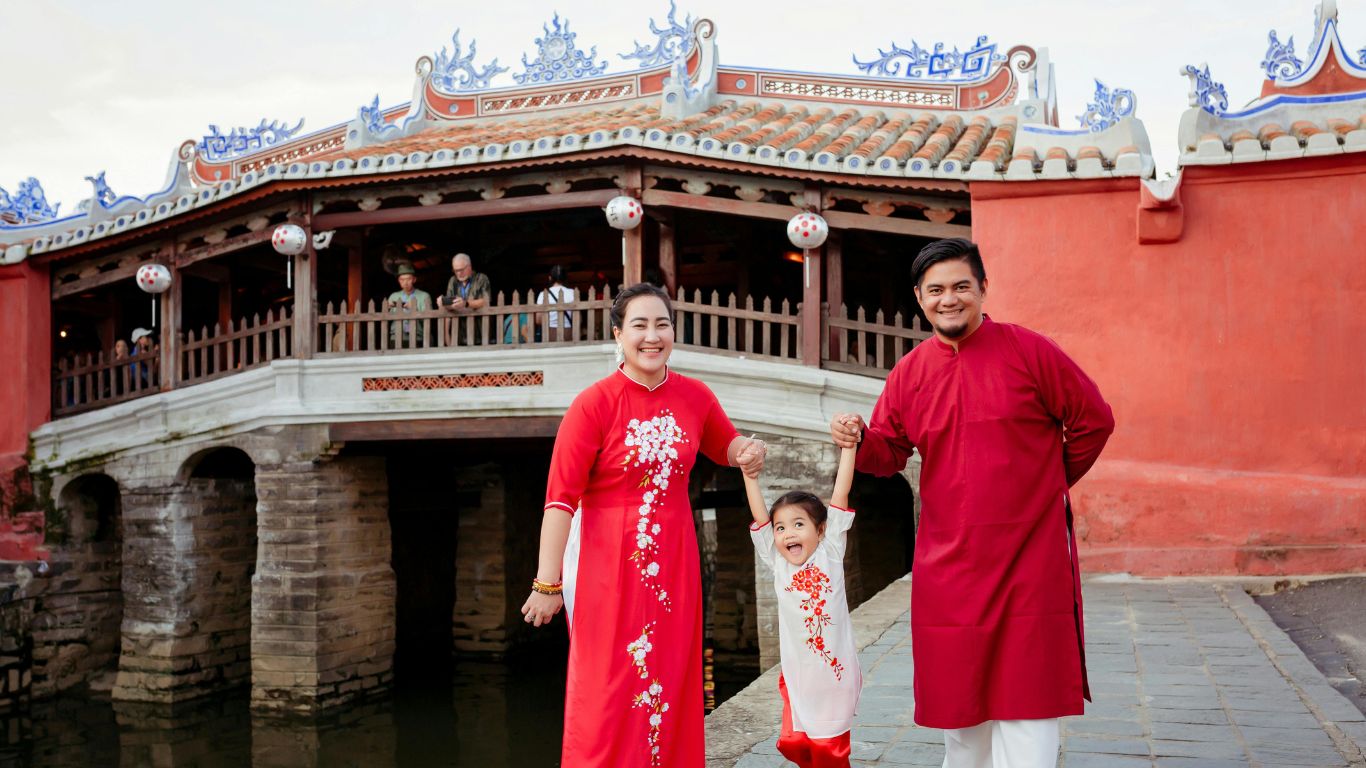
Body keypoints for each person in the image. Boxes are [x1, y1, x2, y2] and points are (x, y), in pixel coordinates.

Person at [830, 238, 1114, 767]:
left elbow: (1094, 420)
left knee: (1027, 714)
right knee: (961, 721)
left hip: (1031, 561)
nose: (949, 298)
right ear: (919, 298)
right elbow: (888, 453)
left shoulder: (1031, 352)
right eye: (936, 290)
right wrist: (857, 437)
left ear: (983, 288)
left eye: (962, 286)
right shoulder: (911, 372)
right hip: (949, 567)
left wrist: (1048, 486)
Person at [521, 282, 766, 767]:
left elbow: (726, 445)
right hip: (606, 568)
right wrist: (548, 583)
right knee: (608, 685)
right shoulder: (592, 405)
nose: (652, 336)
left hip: (675, 566)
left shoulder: (695, 396)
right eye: (639, 325)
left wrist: (748, 451)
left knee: (672, 678)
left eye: (662, 324)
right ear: (617, 334)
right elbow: (560, 502)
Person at [744, 437, 861, 768]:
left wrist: (848, 449)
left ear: (821, 530)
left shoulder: (831, 552)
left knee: (829, 749)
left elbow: (840, 496)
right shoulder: (778, 562)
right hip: (798, 675)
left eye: (798, 524)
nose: (788, 534)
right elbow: (760, 516)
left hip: (833, 676)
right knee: (794, 742)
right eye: (781, 528)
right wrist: (749, 476)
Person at [440, 253, 491, 344]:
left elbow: (485, 301)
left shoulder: (481, 278)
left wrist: (466, 303)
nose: (459, 273)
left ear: (470, 266)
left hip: (480, 334)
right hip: (458, 335)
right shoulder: (453, 281)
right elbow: (450, 304)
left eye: (462, 269)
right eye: (456, 270)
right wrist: (443, 303)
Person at [386, 263, 433, 348]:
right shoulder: (394, 296)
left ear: (414, 279)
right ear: (398, 280)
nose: (405, 283)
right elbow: (385, 320)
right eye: (402, 280)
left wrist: (414, 309)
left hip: (417, 337)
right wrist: (387, 309)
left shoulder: (424, 296)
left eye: (408, 279)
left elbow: (429, 320)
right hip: (396, 337)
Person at [535, 265, 576, 341]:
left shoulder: (543, 294)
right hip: (568, 331)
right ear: (565, 278)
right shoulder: (572, 293)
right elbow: (577, 318)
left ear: (550, 278)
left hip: (549, 332)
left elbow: (538, 319)